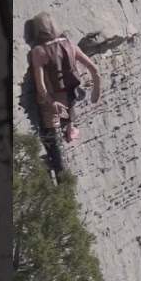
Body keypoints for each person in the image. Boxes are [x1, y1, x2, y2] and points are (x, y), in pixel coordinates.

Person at [27, 12, 101, 173]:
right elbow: (94, 69)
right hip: (70, 96)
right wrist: (97, 90)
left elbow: (41, 86)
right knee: (65, 128)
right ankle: (70, 130)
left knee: (53, 140)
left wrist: (52, 102)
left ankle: (62, 181)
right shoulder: (69, 43)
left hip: (52, 102)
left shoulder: (39, 51)